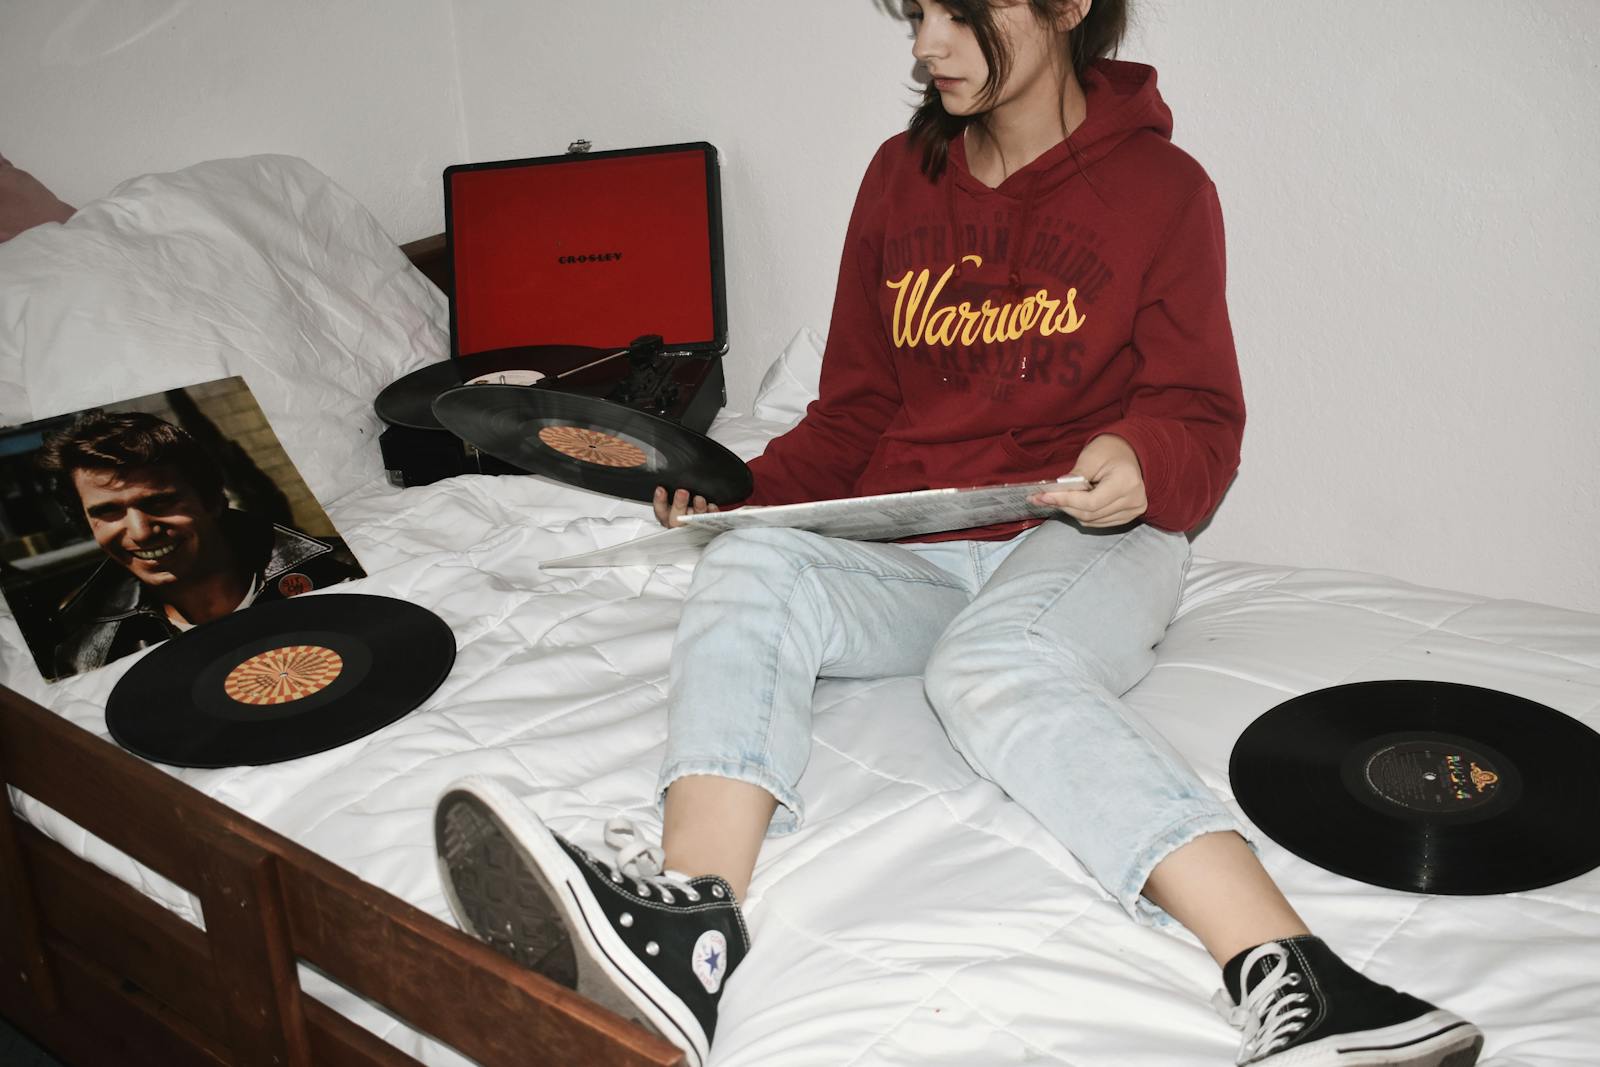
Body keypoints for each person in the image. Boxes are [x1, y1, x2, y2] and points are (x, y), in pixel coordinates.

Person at [433, 3, 1485, 1065]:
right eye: (916, 15)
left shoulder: (1164, 191)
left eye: (958, 13)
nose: (927, 45)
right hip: (916, 545)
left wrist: (1140, 458)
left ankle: (1312, 979)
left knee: (996, 664)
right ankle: (688, 924)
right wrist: (738, 494)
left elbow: (1201, 417)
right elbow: (850, 411)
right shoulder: (901, 177)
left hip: (1082, 532)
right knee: (750, 561)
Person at [38, 409, 363, 678]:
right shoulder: (86, 657)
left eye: (158, 503)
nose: (139, 532)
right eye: (107, 512)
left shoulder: (345, 571)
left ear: (212, 500)